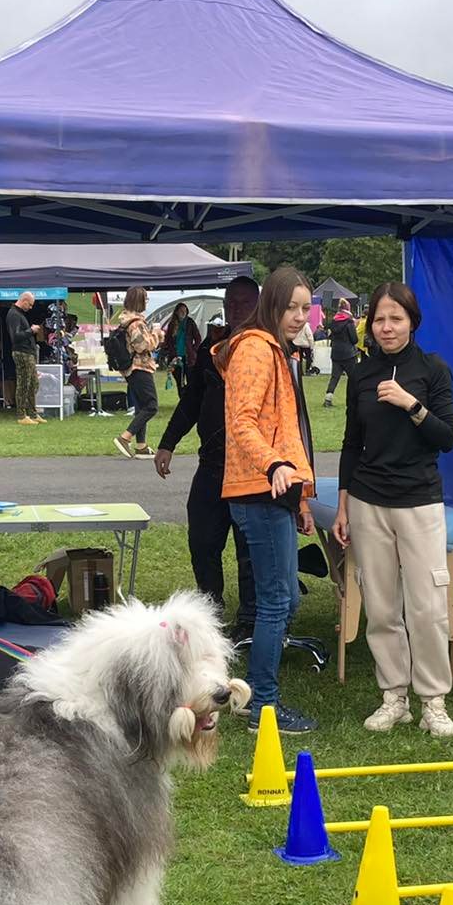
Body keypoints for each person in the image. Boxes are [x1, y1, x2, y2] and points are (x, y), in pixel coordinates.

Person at [336, 281, 453, 737]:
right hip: (369, 501)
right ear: (369, 322)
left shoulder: (432, 370)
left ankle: (433, 701)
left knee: (426, 606)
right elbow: (351, 444)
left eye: (397, 318)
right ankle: (394, 697)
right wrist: (345, 504)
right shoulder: (361, 373)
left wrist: (413, 405)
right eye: (380, 319)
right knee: (383, 606)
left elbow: (448, 437)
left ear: (412, 321)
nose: (387, 327)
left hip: (420, 500)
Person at [217, 267, 317, 734]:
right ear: (272, 304)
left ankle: (256, 695)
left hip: (275, 491)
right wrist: (274, 465)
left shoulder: (278, 349)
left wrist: (299, 498)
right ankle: (262, 707)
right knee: (277, 601)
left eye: (304, 308)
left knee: (284, 600)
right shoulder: (255, 349)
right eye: (292, 307)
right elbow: (243, 421)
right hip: (258, 490)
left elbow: (289, 431)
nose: (299, 317)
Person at [155, 276, 258, 637]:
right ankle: (210, 615)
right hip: (212, 465)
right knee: (202, 543)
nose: (237, 310)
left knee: (250, 552)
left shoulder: (267, 349)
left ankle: (250, 620)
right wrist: (168, 442)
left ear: (258, 305)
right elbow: (191, 402)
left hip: (252, 472)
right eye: (231, 303)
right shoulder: (215, 350)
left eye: (245, 303)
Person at [112, 285, 161, 458]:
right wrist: (157, 334)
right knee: (151, 406)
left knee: (142, 406)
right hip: (140, 366)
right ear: (139, 301)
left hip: (130, 368)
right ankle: (125, 437)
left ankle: (141, 446)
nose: (147, 301)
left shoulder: (125, 320)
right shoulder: (136, 323)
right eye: (145, 298)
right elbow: (143, 346)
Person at [4, 292, 43, 426]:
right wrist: (31, 331)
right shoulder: (14, 315)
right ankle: (21, 415)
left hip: (28, 352)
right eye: (30, 305)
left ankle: (32, 413)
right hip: (22, 353)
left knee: (33, 383)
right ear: (24, 301)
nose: (31, 308)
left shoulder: (19, 314)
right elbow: (15, 337)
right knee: (23, 383)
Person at [322, 295, 359, 407]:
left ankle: (328, 398)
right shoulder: (349, 322)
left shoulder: (334, 321)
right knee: (353, 377)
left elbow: (331, 336)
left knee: (335, 377)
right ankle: (355, 399)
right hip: (348, 354)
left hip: (336, 353)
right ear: (348, 308)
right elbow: (354, 339)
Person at [161, 301, 199, 394]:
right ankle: (182, 400)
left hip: (188, 358)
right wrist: (171, 352)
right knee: (179, 382)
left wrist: (193, 350)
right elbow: (168, 341)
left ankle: (190, 401)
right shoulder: (172, 324)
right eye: (181, 311)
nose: (183, 312)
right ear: (177, 312)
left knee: (191, 381)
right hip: (175, 358)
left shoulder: (190, 322)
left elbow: (198, 338)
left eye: (185, 311)